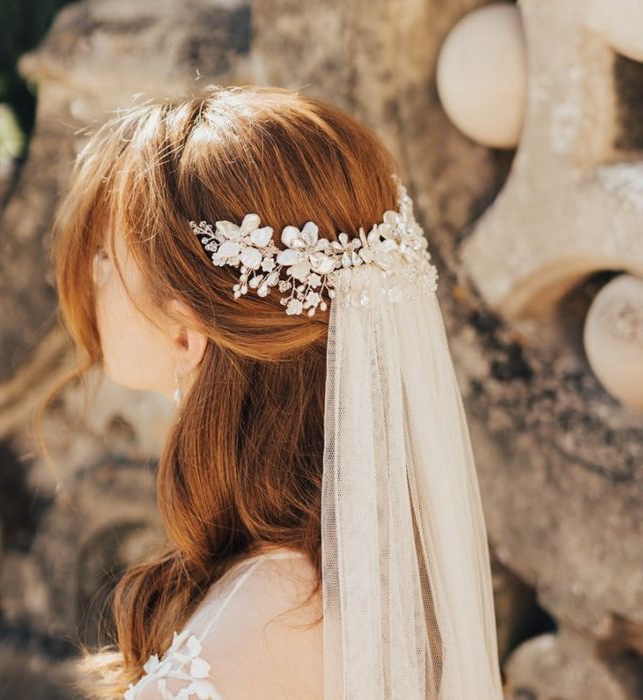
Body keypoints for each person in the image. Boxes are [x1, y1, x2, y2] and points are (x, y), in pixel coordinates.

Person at [48, 84, 505, 699]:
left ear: (187, 336)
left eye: (105, 256)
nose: (91, 277)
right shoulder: (385, 588)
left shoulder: (241, 638)